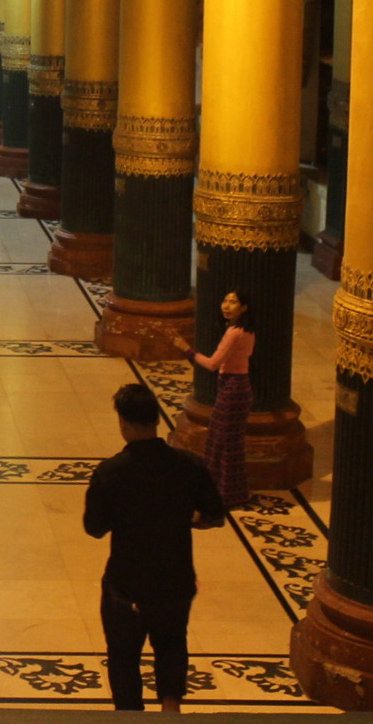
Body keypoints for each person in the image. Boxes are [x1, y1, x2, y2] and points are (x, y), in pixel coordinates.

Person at [85, 383, 227, 713]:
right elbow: (214, 515)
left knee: (123, 656)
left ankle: (130, 715)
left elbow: (94, 528)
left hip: (127, 584)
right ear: (156, 420)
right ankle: (170, 709)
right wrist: (186, 519)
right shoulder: (189, 465)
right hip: (175, 580)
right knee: (172, 643)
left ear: (123, 422)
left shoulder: (111, 473)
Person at [180, 292, 256, 506]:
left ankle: (220, 492)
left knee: (221, 442)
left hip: (233, 390)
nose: (226, 306)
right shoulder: (244, 330)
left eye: (233, 302)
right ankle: (230, 492)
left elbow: (213, 364)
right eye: (225, 301)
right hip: (237, 387)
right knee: (228, 442)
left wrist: (187, 349)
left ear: (244, 308)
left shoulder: (235, 332)